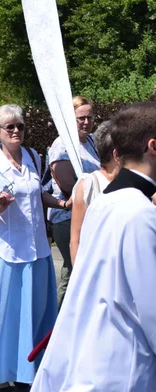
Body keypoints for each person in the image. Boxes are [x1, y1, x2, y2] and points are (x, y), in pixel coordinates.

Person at [32, 103, 156, 392]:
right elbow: (151, 305)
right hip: (122, 364)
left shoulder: (106, 202)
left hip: (91, 352)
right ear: (153, 146)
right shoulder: (139, 212)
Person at [0, 104, 63, 391]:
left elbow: (39, 194)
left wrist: (64, 203)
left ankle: (28, 374)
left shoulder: (33, 157)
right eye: (10, 127)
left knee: (35, 314)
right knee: (3, 317)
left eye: (20, 125)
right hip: (3, 252)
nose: (17, 130)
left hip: (36, 250)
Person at [45, 96, 99, 305]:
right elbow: (68, 185)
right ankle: (62, 324)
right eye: (81, 118)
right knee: (79, 272)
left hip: (90, 217)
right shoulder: (62, 145)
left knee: (70, 274)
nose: (86, 122)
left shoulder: (91, 141)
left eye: (89, 117)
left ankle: (59, 323)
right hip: (68, 218)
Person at [68, 120, 120, 263]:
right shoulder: (88, 184)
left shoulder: (135, 182)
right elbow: (76, 239)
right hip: (98, 265)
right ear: (117, 154)